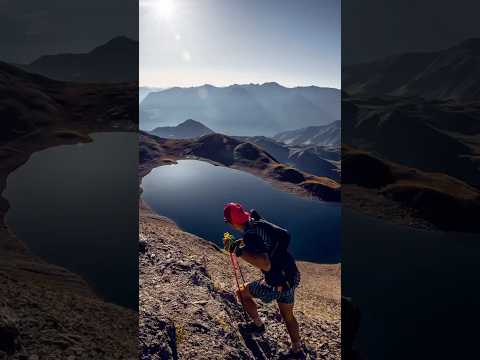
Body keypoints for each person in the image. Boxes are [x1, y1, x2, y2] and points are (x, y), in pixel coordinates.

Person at [223, 202, 305, 359]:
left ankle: (258, 325)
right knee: (288, 316)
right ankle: (297, 349)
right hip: (291, 276)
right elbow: (267, 246)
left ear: (232, 222)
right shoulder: (256, 222)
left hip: (275, 284)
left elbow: (265, 264)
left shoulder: (250, 235)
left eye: (227, 221)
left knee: (241, 292)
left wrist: (237, 251)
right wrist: (240, 245)